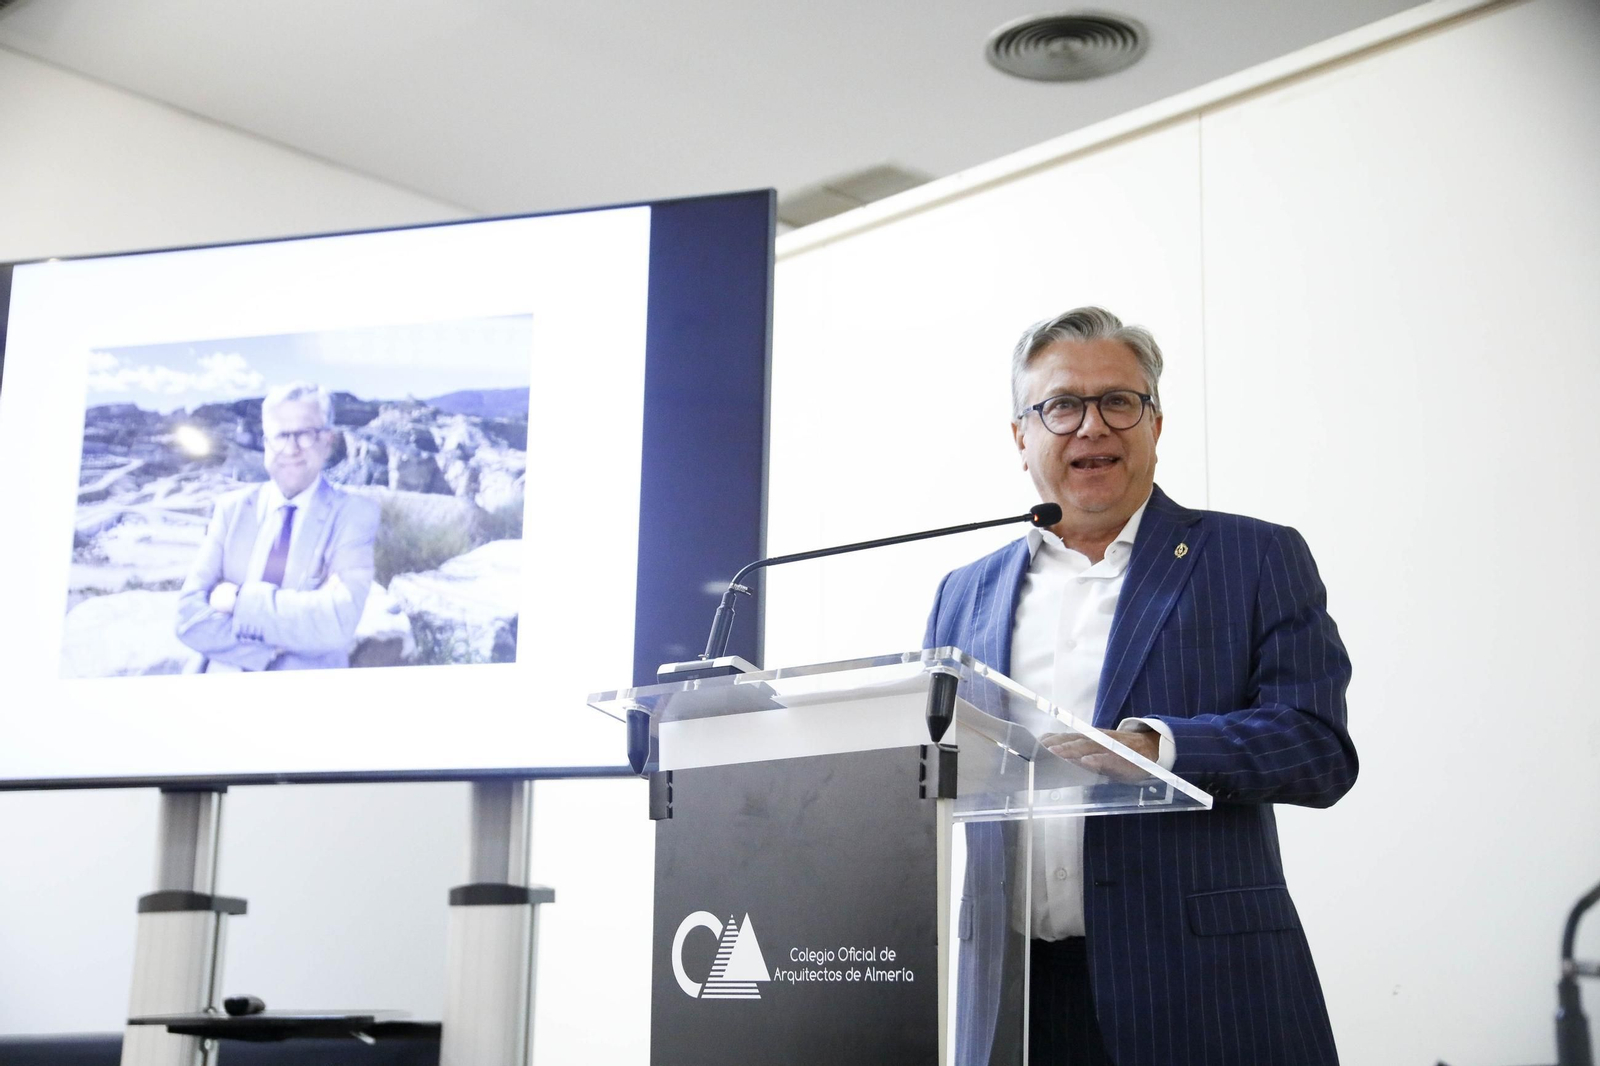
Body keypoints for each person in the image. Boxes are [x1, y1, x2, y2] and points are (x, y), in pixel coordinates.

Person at [924, 307, 1358, 1066]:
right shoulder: (963, 592)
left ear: (1155, 424)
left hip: (1202, 988)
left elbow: (1318, 747)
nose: (1091, 426)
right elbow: (929, 765)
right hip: (1014, 995)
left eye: (1118, 402)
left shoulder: (1252, 558)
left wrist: (1162, 746)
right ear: (1020, 436)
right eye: (1061, 405)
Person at [176, 382, 380, 672]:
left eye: (306, 434)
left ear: (328, 441)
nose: (292, 448)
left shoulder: (355, 514)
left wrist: (237, 600)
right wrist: (273, 652)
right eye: (281, 435)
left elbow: (337, 621)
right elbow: (189, 617)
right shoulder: (231, 509)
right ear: (265, 442)